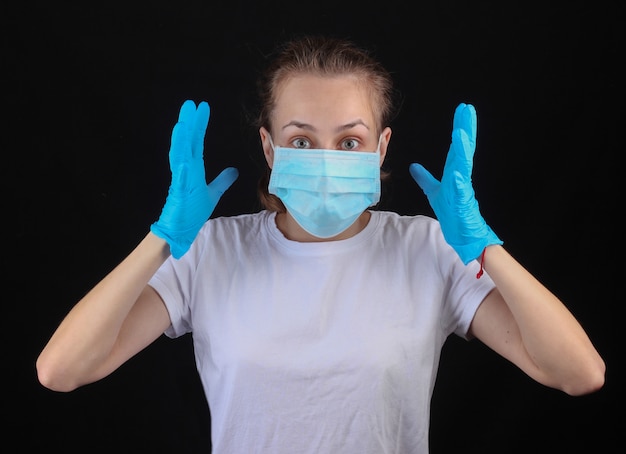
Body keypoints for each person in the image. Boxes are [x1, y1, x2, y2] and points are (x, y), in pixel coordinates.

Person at [36, 35, 605, 453]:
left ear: (381, 150)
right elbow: (61, 370)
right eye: (301, 140)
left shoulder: (427, 249)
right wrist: (161, 241)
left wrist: (485, 248)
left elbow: (579, 373)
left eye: (349, 140)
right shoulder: (210, 252)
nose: (327, 160)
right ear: (269, 148)